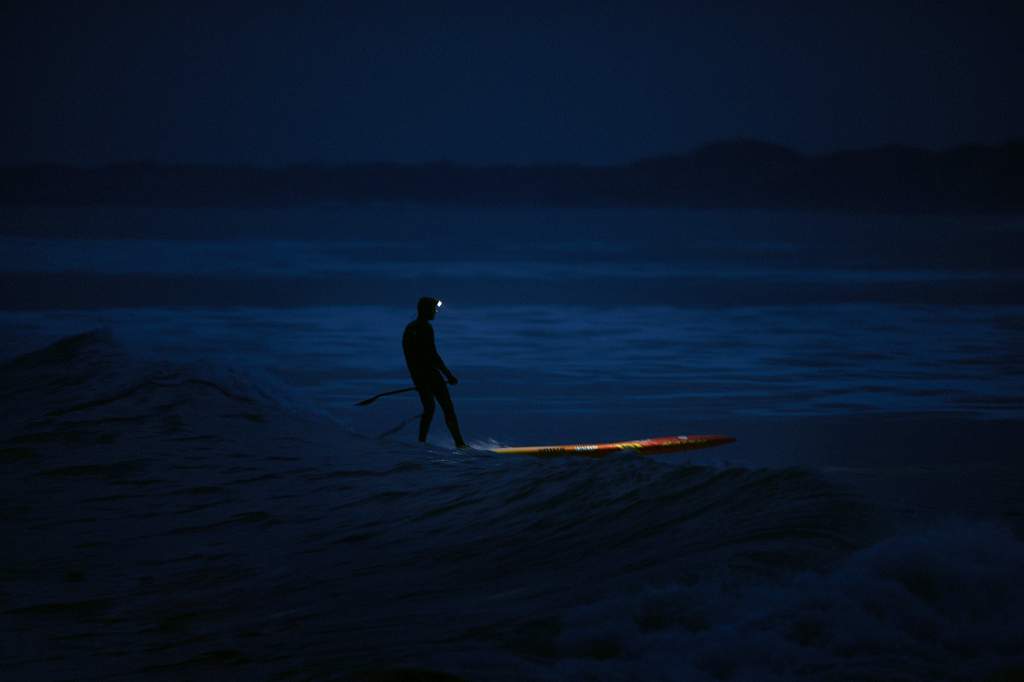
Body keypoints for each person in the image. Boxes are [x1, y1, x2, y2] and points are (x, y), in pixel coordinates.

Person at [402, 296, 467, 447]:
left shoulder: (411, 328)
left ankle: (421, 443)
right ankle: (460, 444)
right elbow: (432, 355)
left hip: (420, 376)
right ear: (424, 310)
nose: (435, 311)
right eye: (433, 309)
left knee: (429, 408)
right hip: (429, 375)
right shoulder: (423, 328)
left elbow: (414, 358)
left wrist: (417, 378)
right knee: (445, 408)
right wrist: (449, 375)